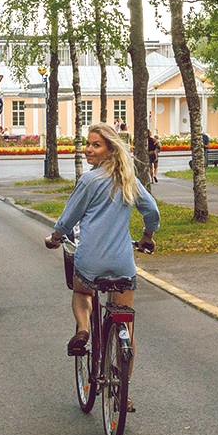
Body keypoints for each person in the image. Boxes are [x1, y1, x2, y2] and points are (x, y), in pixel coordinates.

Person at [45, 121, 160, 363]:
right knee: (126, 323)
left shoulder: (89, 181)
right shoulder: (129, 180)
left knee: (81, 291)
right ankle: (124, 397)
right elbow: (152, 211)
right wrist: (147, 236)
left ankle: (83, 329)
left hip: (90, 261)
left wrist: (55, 238)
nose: (88, 149)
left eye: (96, 145)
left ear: (110, 149)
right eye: (88, 144)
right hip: (122, 264)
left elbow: (68, 219)